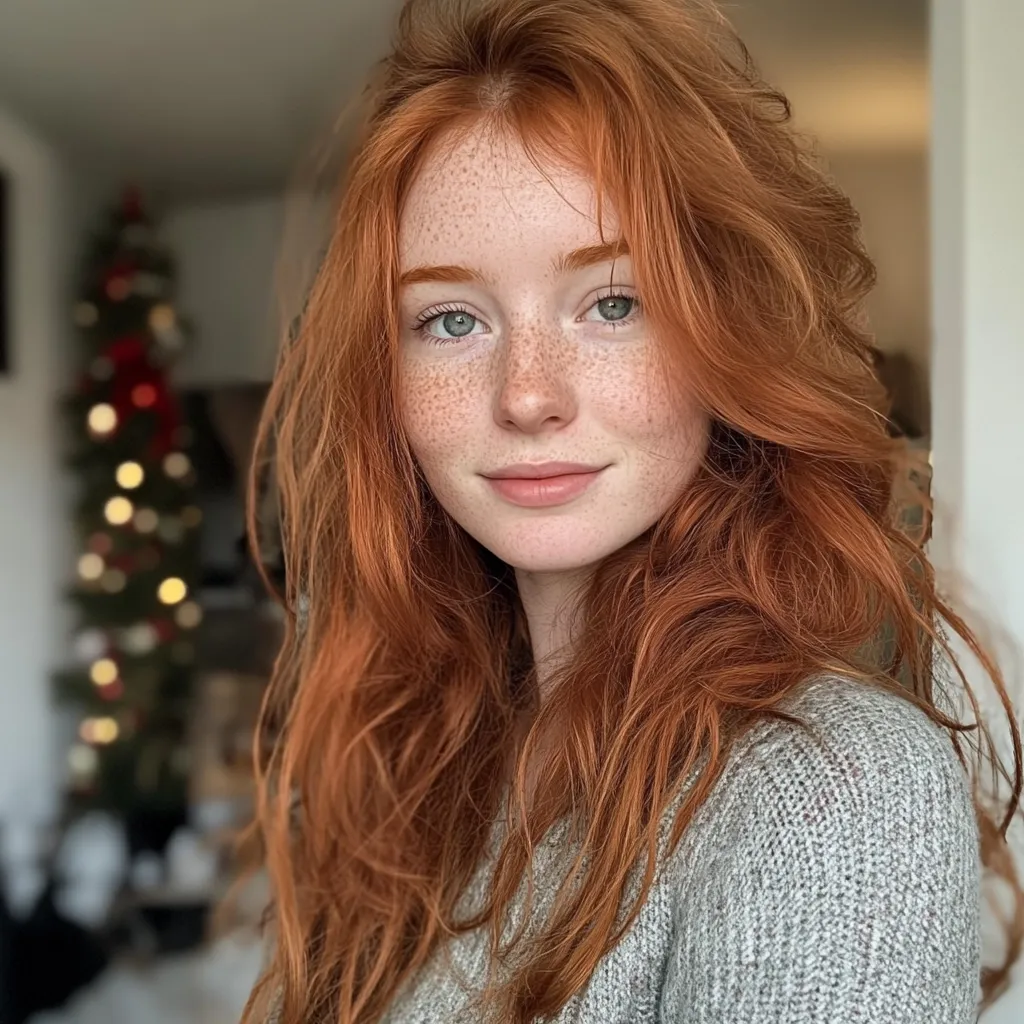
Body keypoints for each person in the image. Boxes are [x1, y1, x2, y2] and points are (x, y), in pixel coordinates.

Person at [243, 1, 1023, 1021]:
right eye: (450, 319)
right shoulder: (435, 749)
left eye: (614, 303)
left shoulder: (827, 788)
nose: (528, 394)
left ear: (726, 337)